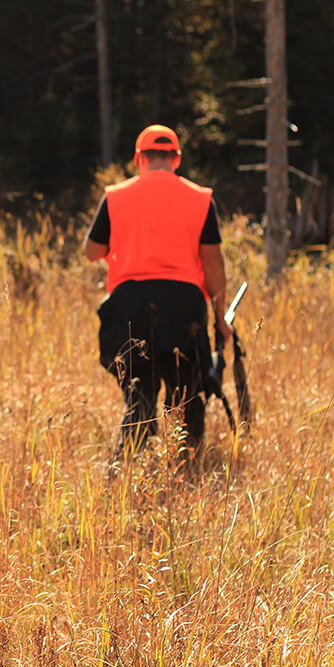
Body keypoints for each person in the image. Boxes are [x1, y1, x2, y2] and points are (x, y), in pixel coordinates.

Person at [84, 124, 230, 461]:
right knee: (186, 399)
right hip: (184, 309)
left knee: (141, 397)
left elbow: (92, 251)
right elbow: (213, 262)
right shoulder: (200, 198)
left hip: (131, 308)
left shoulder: (116, 196)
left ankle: (127, 469)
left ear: (139, 159)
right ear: (176, 159)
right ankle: (187, 466)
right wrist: (220, 318)